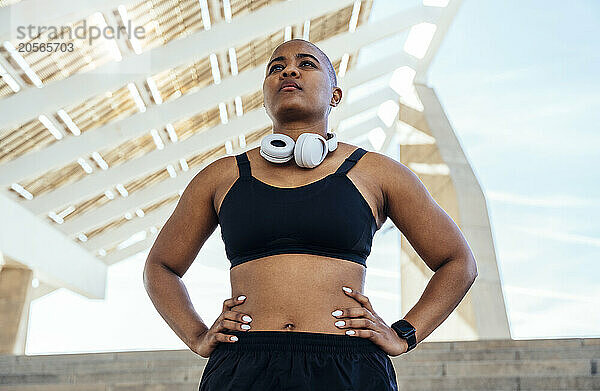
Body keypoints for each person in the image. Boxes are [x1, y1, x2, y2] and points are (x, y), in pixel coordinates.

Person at [143, 38, 478, 390]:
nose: (289, 70)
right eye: (277, 67)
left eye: (307, 64)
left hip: (349, 364)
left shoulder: (378, 173)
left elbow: (458, 261)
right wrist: (196, 335)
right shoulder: (220, 176)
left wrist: (405, 334)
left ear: (335, 95)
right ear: (265, 95)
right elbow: (160, 267)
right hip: (243, 364)